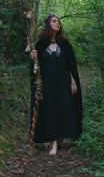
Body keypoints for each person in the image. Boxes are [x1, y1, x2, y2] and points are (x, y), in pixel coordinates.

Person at [29, 14, 83, 155]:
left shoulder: (65, 44)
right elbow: (35, 68)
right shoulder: (40, 45)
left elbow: (71, 67)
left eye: (58, 22)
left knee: (63, 110)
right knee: (50, 110)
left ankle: (59, 139)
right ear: (48, 25)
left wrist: (73, 83)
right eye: (54, 21)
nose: (57, 23)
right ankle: (53, 142)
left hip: (63, 84)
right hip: (48, 85)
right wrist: (33, 58)